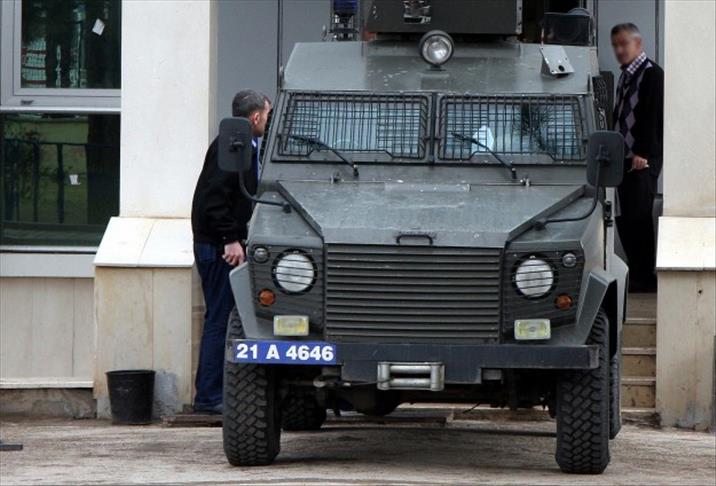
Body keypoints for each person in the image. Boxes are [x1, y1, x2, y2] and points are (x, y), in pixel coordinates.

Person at [190, 90, 271, 413]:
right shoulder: (233, 146)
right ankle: (210, 396)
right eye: (267, 114)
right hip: (219, 246)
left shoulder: (239, 145)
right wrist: (230, 238)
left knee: (223, 317)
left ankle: (214, 392)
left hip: (219, 243)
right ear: (256, 117)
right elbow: (213, 199)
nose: (268, 120)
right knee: (221, 318)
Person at [610, 23, 664, 293]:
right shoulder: (625, 75)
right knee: (625, 216)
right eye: (615, 45)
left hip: (641, 159)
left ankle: (645, 276)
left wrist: (643, 152)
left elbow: (653, 115)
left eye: (624, 44)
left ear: (638, 44)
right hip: (624, 158)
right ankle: (637, 271)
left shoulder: (651, 74)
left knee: (640, 216)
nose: (619, 50)